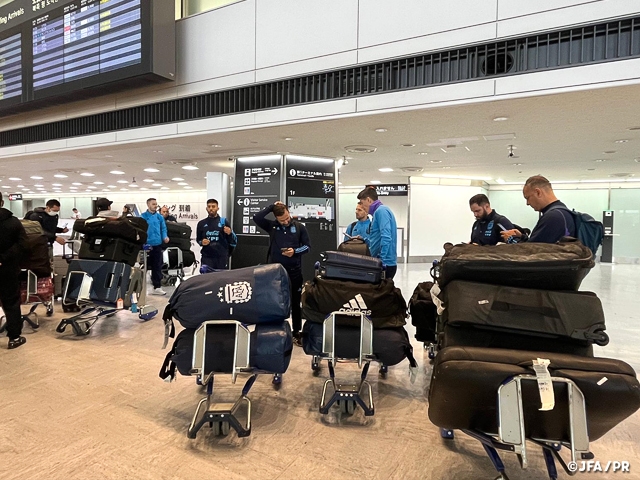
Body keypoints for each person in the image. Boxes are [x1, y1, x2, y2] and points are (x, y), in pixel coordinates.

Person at [254, 201, 310, 346]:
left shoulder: (299, 227)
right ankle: (274, 331)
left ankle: (297, 331)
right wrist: (271, 207)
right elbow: (256, 217)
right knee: (274, 301)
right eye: (282, 220)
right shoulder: (272, 226)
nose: (285, 221)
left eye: (286, 217)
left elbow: (307, 247)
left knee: (295, 302)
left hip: (294, 270)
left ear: (288, 211)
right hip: (275, 271)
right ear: (276, 218)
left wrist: (295, 252)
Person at [501, 175, 576, 244]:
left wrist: (511, 239)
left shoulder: (553, 217)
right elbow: (541, 244)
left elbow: (531, 252)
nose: (527, 203)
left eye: (527, 198)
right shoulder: (561, 213)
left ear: (538, 192)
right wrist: (522, 237)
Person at [0, 191, 28, 349]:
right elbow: (23, 245)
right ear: (2, 203)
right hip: (7, 269)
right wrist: (3, 258)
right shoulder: (13, 222)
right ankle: (14, 337)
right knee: (11, 301)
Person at [357, 187, 398, 279]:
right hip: (381, 261)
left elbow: (386, 237)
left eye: (362, 203)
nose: (362, 207)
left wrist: (381, 261)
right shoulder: (378, 212)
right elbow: (377, 238)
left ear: (368, 200)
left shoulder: (381, 211)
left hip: (385, 264)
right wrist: (364, 240)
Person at [196, 199, 237, 270]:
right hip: (207, 257)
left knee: (221, 278)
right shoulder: (201, 223)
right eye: (209, 206)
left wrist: (229, 233)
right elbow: (198, 239)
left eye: (213, 206)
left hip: (221, 257)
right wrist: (202, 242)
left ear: (217, 208)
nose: (211, 208)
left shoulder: (223, 222)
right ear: (206, 208)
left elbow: (231, 240)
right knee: (206, 278)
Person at [141, 198, 169, 295]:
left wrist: (165, 237)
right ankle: (140, 286)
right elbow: (141, 230)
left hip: (157, 244)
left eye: (156, 204)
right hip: (147, 245)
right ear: (148, 205)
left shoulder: (159, 217)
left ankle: (157, 286)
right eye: (153, 204)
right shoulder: (143, 217)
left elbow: (163, 228)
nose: (155, 206)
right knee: (144, 266)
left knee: (157, 266)